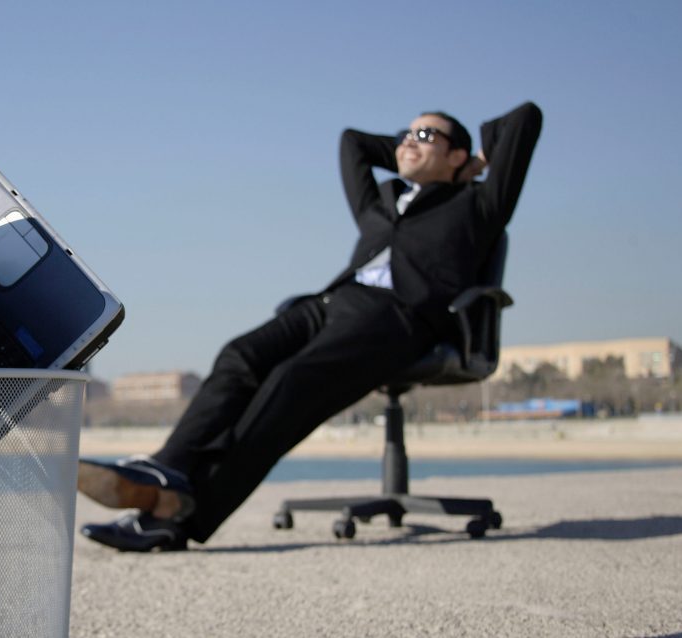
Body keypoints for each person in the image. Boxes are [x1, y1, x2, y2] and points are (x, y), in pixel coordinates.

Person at [77, 102, 543, 551]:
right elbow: (353, 143)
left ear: (458, 155)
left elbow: (525, 119)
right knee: (240, 355)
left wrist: (476, 161)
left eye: (424, 134)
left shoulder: (479, 205)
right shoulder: (381, 202)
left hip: (399, 318)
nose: (407, 141)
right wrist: (415, 148)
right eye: (404, 134)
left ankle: (174, 520)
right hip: (331, 301)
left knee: (289, 385)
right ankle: (167, 470)